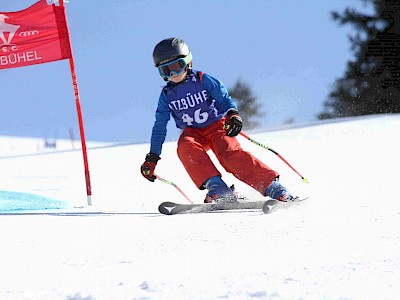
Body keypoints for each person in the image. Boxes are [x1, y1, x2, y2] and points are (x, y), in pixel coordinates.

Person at [140, 37, 294, 203]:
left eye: (177, 67)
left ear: (188, 62)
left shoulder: (202, 80)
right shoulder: (167, 95)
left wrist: (232, 114)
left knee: (228, 153)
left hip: (216, 126)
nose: (173, 74)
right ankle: (218, 188)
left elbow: (224, 97)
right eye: (166, 71)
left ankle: (273, 186)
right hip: (194, 132)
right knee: (185, 146)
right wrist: (152, 157)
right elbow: (159, 127)